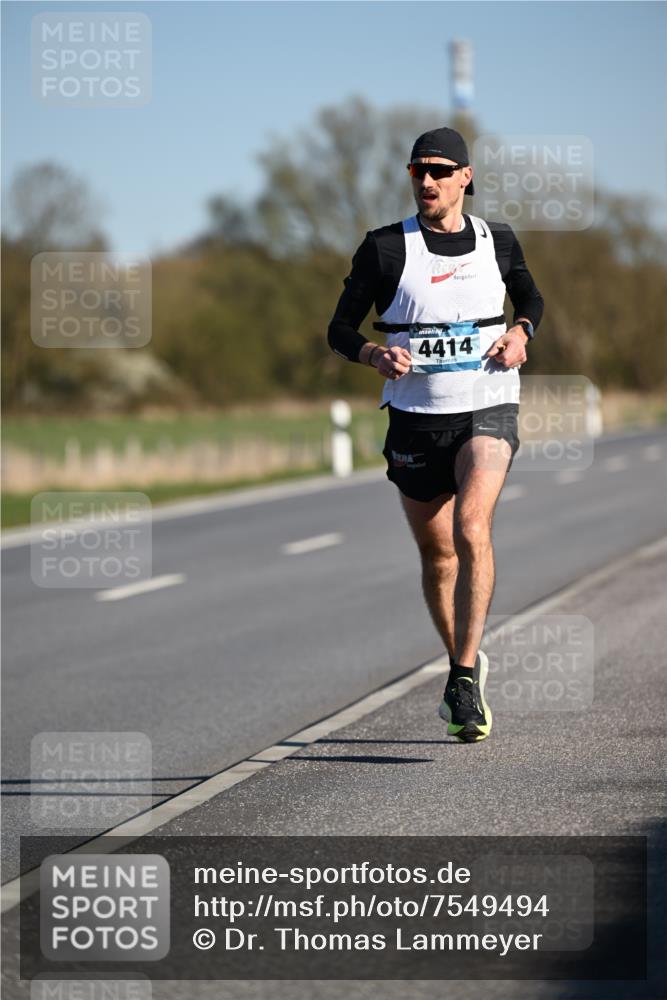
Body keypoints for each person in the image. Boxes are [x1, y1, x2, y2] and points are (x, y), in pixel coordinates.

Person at [327, 126, 544, 743]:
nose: (426, 181)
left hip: (488, 403)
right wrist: (372, 354)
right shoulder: (384, 249)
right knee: (438, 554)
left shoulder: (496, 240)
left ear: (465, 178)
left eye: (440, 170)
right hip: (417, 418)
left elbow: (529, 292)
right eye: (417, 170)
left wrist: (522, 330)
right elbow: (338, 329)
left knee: (471, 527)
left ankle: (465, 675)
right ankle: (461, 664)